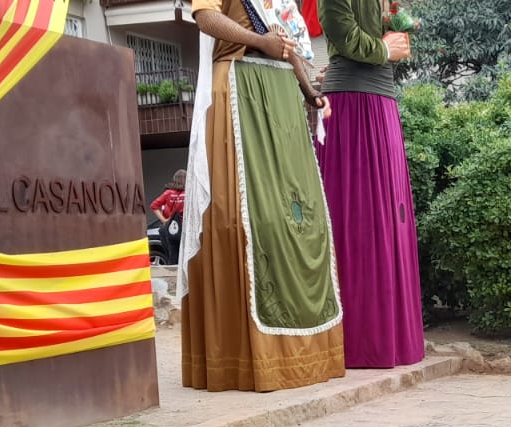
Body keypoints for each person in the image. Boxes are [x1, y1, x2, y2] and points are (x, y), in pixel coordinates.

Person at [181, 0, 346, 392]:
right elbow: (206, 18)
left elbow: (285, 43)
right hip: (241, 88)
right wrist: (260, 41)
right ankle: (250, 359)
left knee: (301, 221)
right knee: (252, 219)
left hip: (281, 96)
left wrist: (309, 91)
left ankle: (305, 355)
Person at [315, 0, 425, 369]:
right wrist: (385, 48)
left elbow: (389, 39)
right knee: (356, 214)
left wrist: (399, 39)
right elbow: (344, 36)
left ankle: (391, 338)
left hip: (382, 101)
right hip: (348, 104)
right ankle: (356, 340)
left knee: (390, 216)